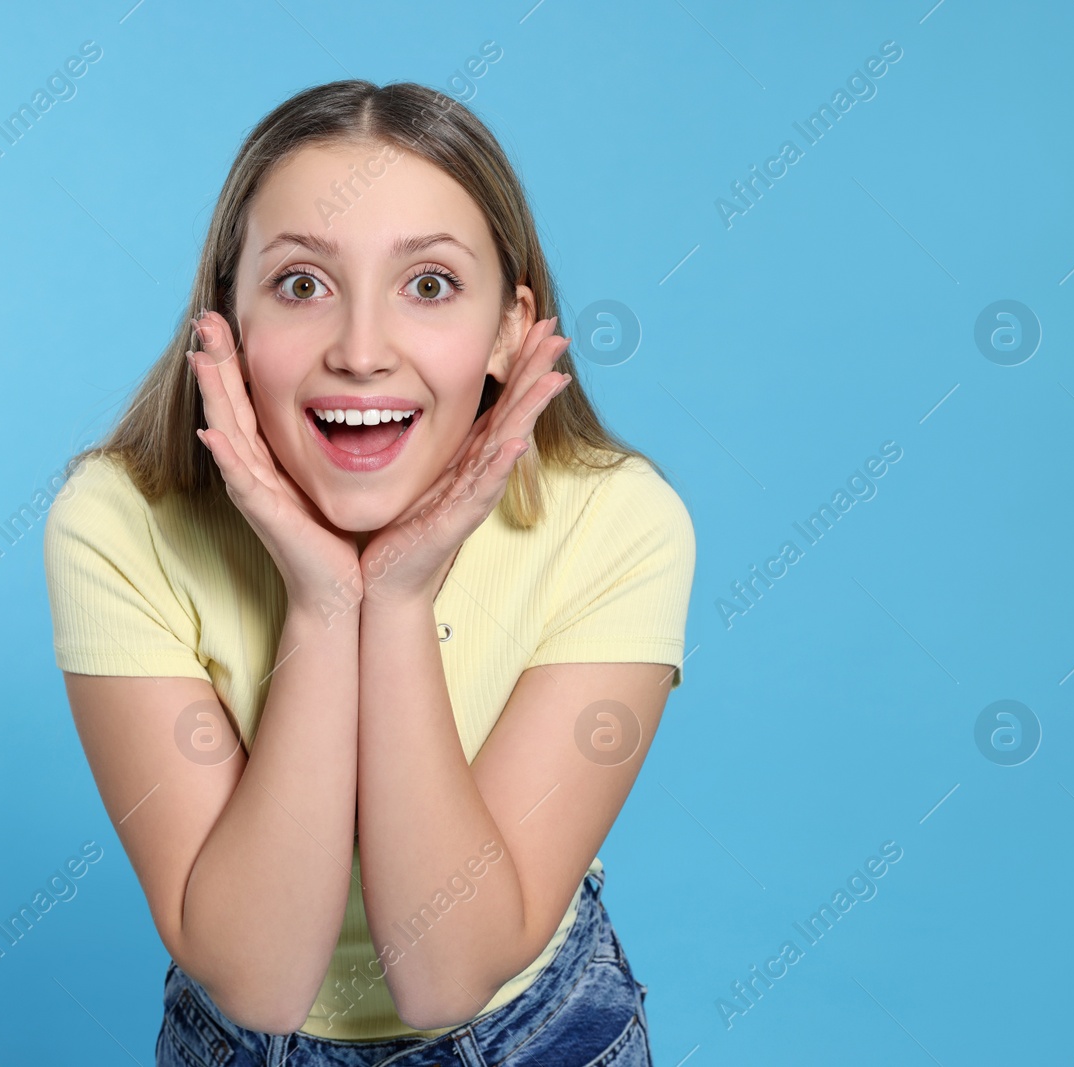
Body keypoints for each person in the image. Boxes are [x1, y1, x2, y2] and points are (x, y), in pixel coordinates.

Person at [42, 78, 695, 1066]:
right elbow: (258, 979)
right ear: (224, 320)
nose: (359, 351)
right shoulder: (118, 518)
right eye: (302, 284)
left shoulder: (618, 520)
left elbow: (446, 970)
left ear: (510, 328)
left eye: (427, 285)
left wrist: (394, 601)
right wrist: (322, 598)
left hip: (535, 1035)